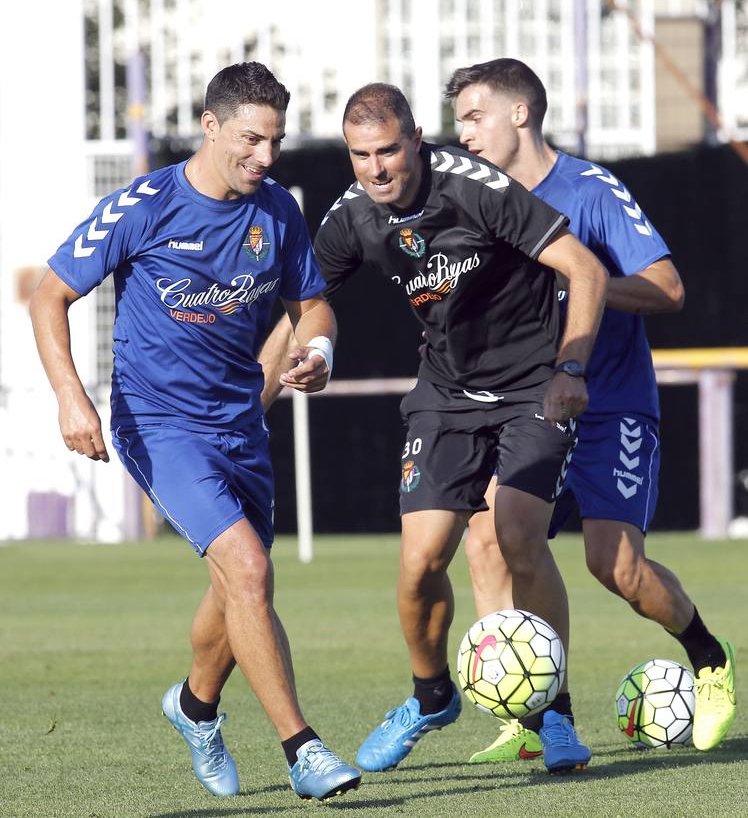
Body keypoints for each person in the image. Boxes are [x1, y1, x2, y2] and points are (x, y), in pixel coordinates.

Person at [29, 62, 361, 803]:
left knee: (237, 586)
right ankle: (303, 750)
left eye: (274, 141)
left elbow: (313, 307)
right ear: (210, 127)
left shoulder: (276, 210)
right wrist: (70, 399)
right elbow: (50, 295)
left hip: (241, 424)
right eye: (251, 139)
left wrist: (319, 353)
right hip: (158, 424)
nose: (266, 157)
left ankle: (195, 706)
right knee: (247, 570)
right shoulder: (142, 207)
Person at [260, 82, 608, 774]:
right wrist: (256, 403)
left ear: (416, 140)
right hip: (446, 396)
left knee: (516, 534)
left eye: (388, 150)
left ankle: (557, 713)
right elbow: (303, 308)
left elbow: (586, 270)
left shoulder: (475, 189)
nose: (376, 168)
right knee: (419, 564)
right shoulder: (351, 217)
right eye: (361, 155)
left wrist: (571, 368)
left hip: (533, 387)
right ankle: (430, 696)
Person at [444, 57, 736, 763]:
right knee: (486, 540)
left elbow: (668, 290)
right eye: (458, 124)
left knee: (617, 568)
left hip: (610, 406)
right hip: (528, 407)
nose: (465, 135)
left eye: (475, 117)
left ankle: (710, 658)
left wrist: (590, 284)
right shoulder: (475, 197)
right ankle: (536, 709)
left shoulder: (592, 190)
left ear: (520, 113)